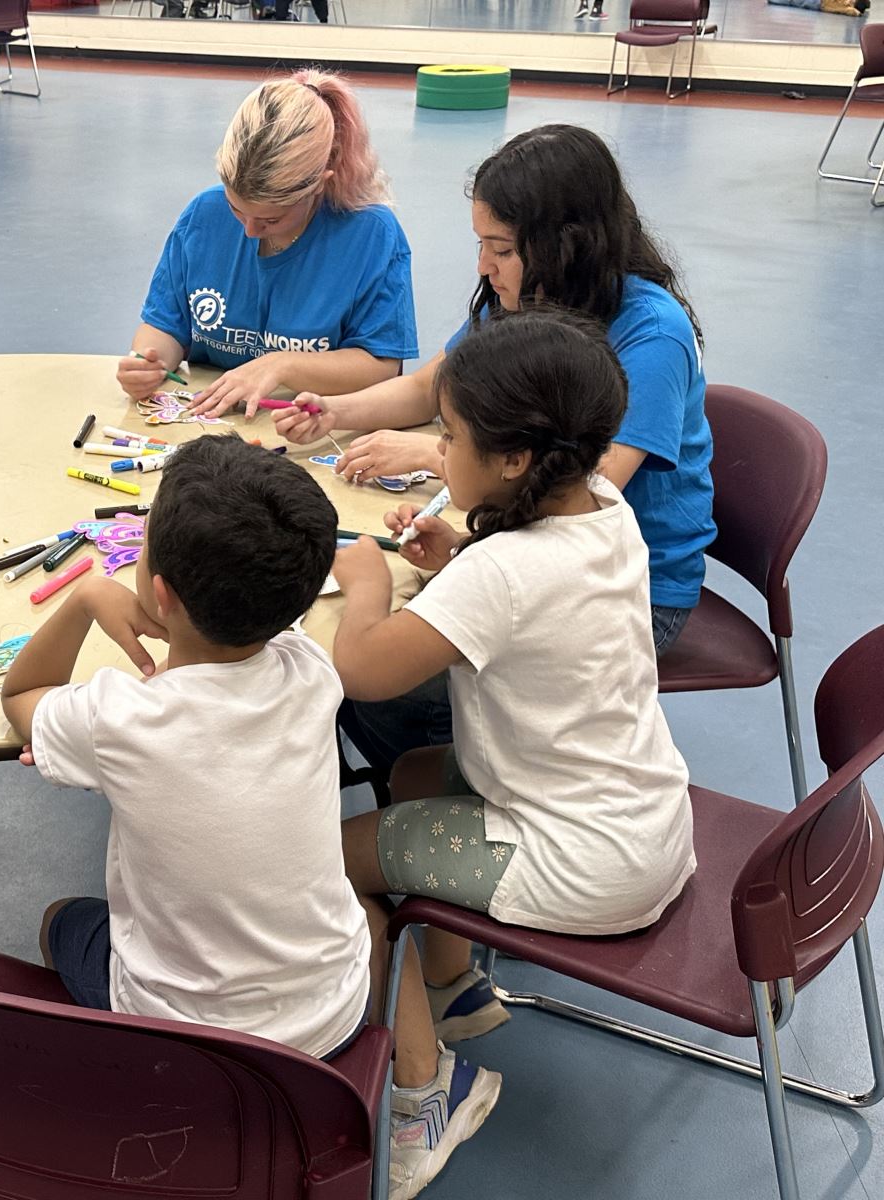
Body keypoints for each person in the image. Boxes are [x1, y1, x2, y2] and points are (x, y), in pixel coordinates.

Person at [331, 310, 693, 1200]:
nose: (438, 451)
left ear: (515, 460)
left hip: (580, 862)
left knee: (327, 864)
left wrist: (367, 585)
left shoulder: (504, 574)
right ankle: (453, 987)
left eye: (450, 436)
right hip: (641, 820)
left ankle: (425, 1094)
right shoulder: (603, 507)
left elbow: (363, 671)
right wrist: (459, 556)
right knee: (414, 775)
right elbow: (535, 603)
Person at [277, 123, 714, 782]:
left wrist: (434, 459)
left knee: (391, 679)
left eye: (501, 248)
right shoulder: (527, 298)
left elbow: (582, 479)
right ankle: (431, 775)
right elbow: (432, 385)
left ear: (566, 245)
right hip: (533, 548)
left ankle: (454, 785)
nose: (484, 265)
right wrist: (334, 411)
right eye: (481, 243)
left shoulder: (652, 334)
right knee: (394, 643)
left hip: (640, 592)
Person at [1, 435, 372, 1064]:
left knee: (60, 917)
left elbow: (20, 698)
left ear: (162, 593)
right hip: (334, 1013)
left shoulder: (120, 718)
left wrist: (86, 598)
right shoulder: (311, 669)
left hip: (185, 1036)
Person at [117, 69, 418, 420]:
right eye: (236, 209)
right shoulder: (203, 215)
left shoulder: (371, 235)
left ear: (319, 184)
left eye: (271, 219)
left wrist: (281, 366)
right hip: (212, 425)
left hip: (310, 426)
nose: (249, 231)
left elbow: (380, 365)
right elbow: (165, 325)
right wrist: (148, 363)